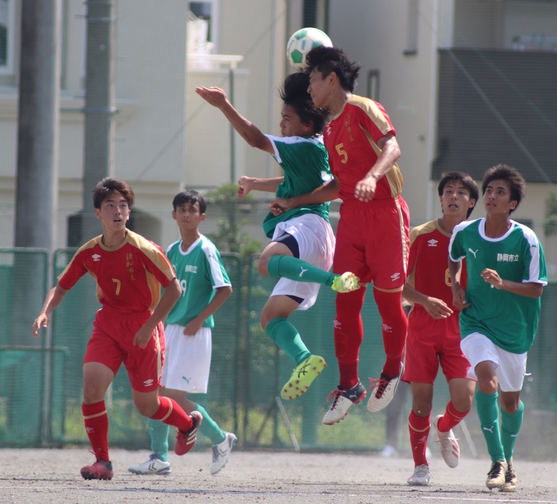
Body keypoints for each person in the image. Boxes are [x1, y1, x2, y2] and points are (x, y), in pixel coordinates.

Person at [195, 73, 359, 402]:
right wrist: (256, 182)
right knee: (270, 317)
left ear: (308, 124)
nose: (281, 124)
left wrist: (223, 104)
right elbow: (293, 183)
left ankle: (333, 281)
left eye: (287, 119)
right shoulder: (314, 149)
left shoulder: (300, 144)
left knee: (266, 261)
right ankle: (305, 360)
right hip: (316, 238)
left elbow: (254, 138)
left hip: (307, 227)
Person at [274, 47, 410, 425]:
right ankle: (349, 385)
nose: (310, 89)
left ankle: (393, 370)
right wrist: (294, 201)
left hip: (385, 213)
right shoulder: (330, 127)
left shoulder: (364, 107)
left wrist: (372, 176)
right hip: (350, 218)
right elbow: (336, 185)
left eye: (314, 79)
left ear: (331, 78)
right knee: (345, 302)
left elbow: (393, 146)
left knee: (387, 304)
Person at [32, 178, 200, 481]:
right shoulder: (89, 251)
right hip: (108, 323)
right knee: (92, 387)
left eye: (123, 205)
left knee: (147, 406)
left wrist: (150, 327)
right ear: (98, 213)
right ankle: (102, 462)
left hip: (142, 325)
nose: (118, 210)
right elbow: (61, 286)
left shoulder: (144, 248)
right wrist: (45, 312)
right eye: (110, 205)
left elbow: (174, 289)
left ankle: (187, 424)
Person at [448, 164, 547, 492]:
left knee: (509, 403)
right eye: (489, 190)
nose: (491, 195)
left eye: (500, 192)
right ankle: (496, 460)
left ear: (512, 204)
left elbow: (536, 288)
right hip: (476, 322)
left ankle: (509, 458)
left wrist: (503, 284)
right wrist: (456, 289)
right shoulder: (465, 231)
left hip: (515, 331)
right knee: (486, 379)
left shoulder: (526, 239)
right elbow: (454, 256)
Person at [128, 190, 236, 477]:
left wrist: (201, 318)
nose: (186, 214)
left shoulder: (206, 249)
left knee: (174, 396)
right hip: (170, 330)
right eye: (181, 209)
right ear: (174, 214)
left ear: (202, 216)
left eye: (192, 210)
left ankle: (220, 438)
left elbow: (225, 288)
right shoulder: (172, 249)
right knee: (157, 394)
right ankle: (159, 457)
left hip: (193, 333)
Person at [402, 172, 479, 486]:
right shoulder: (420, 234)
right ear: (441, 198)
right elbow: (395, 285)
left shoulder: (479, 239)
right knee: (421, 401)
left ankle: (444, 426)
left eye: (461, 193)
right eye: (448, 191)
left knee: (464, 400)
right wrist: (425, 300)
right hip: (422, 324)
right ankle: (421, 466)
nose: (454, 196)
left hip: (462, 328)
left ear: (472, 202)